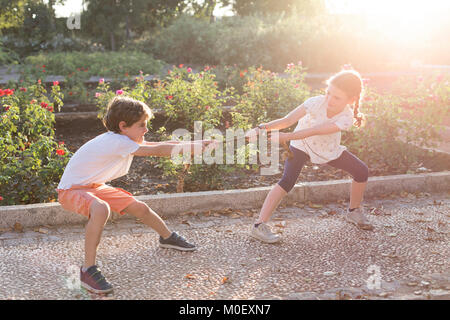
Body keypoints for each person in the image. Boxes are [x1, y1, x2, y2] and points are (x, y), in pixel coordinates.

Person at [57, 96, 216, 294]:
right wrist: (189, 149)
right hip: (72, 190)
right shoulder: (116, 141)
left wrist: (198, 143)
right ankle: (87, 270)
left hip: (93, 186)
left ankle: (167, 237)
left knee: (139, 208)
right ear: (123, 126)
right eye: (142, 125)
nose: (146, 130)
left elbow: (158, 144)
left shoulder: (123, 138)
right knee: (100, 209)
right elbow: (157, 151)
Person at [248, 69, 373, 244]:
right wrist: (262, 128)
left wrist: (285, 137)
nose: (329, 99)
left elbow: (315, 131)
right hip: (301, 146)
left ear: (351, 100)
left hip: (327, 149)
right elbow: (287, 120)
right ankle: (259, 226)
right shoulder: (314, 102)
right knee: (287, 181)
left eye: (337, 98)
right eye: (328, 93)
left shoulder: (346, 117)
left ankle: (354, 211)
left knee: (361, 171)